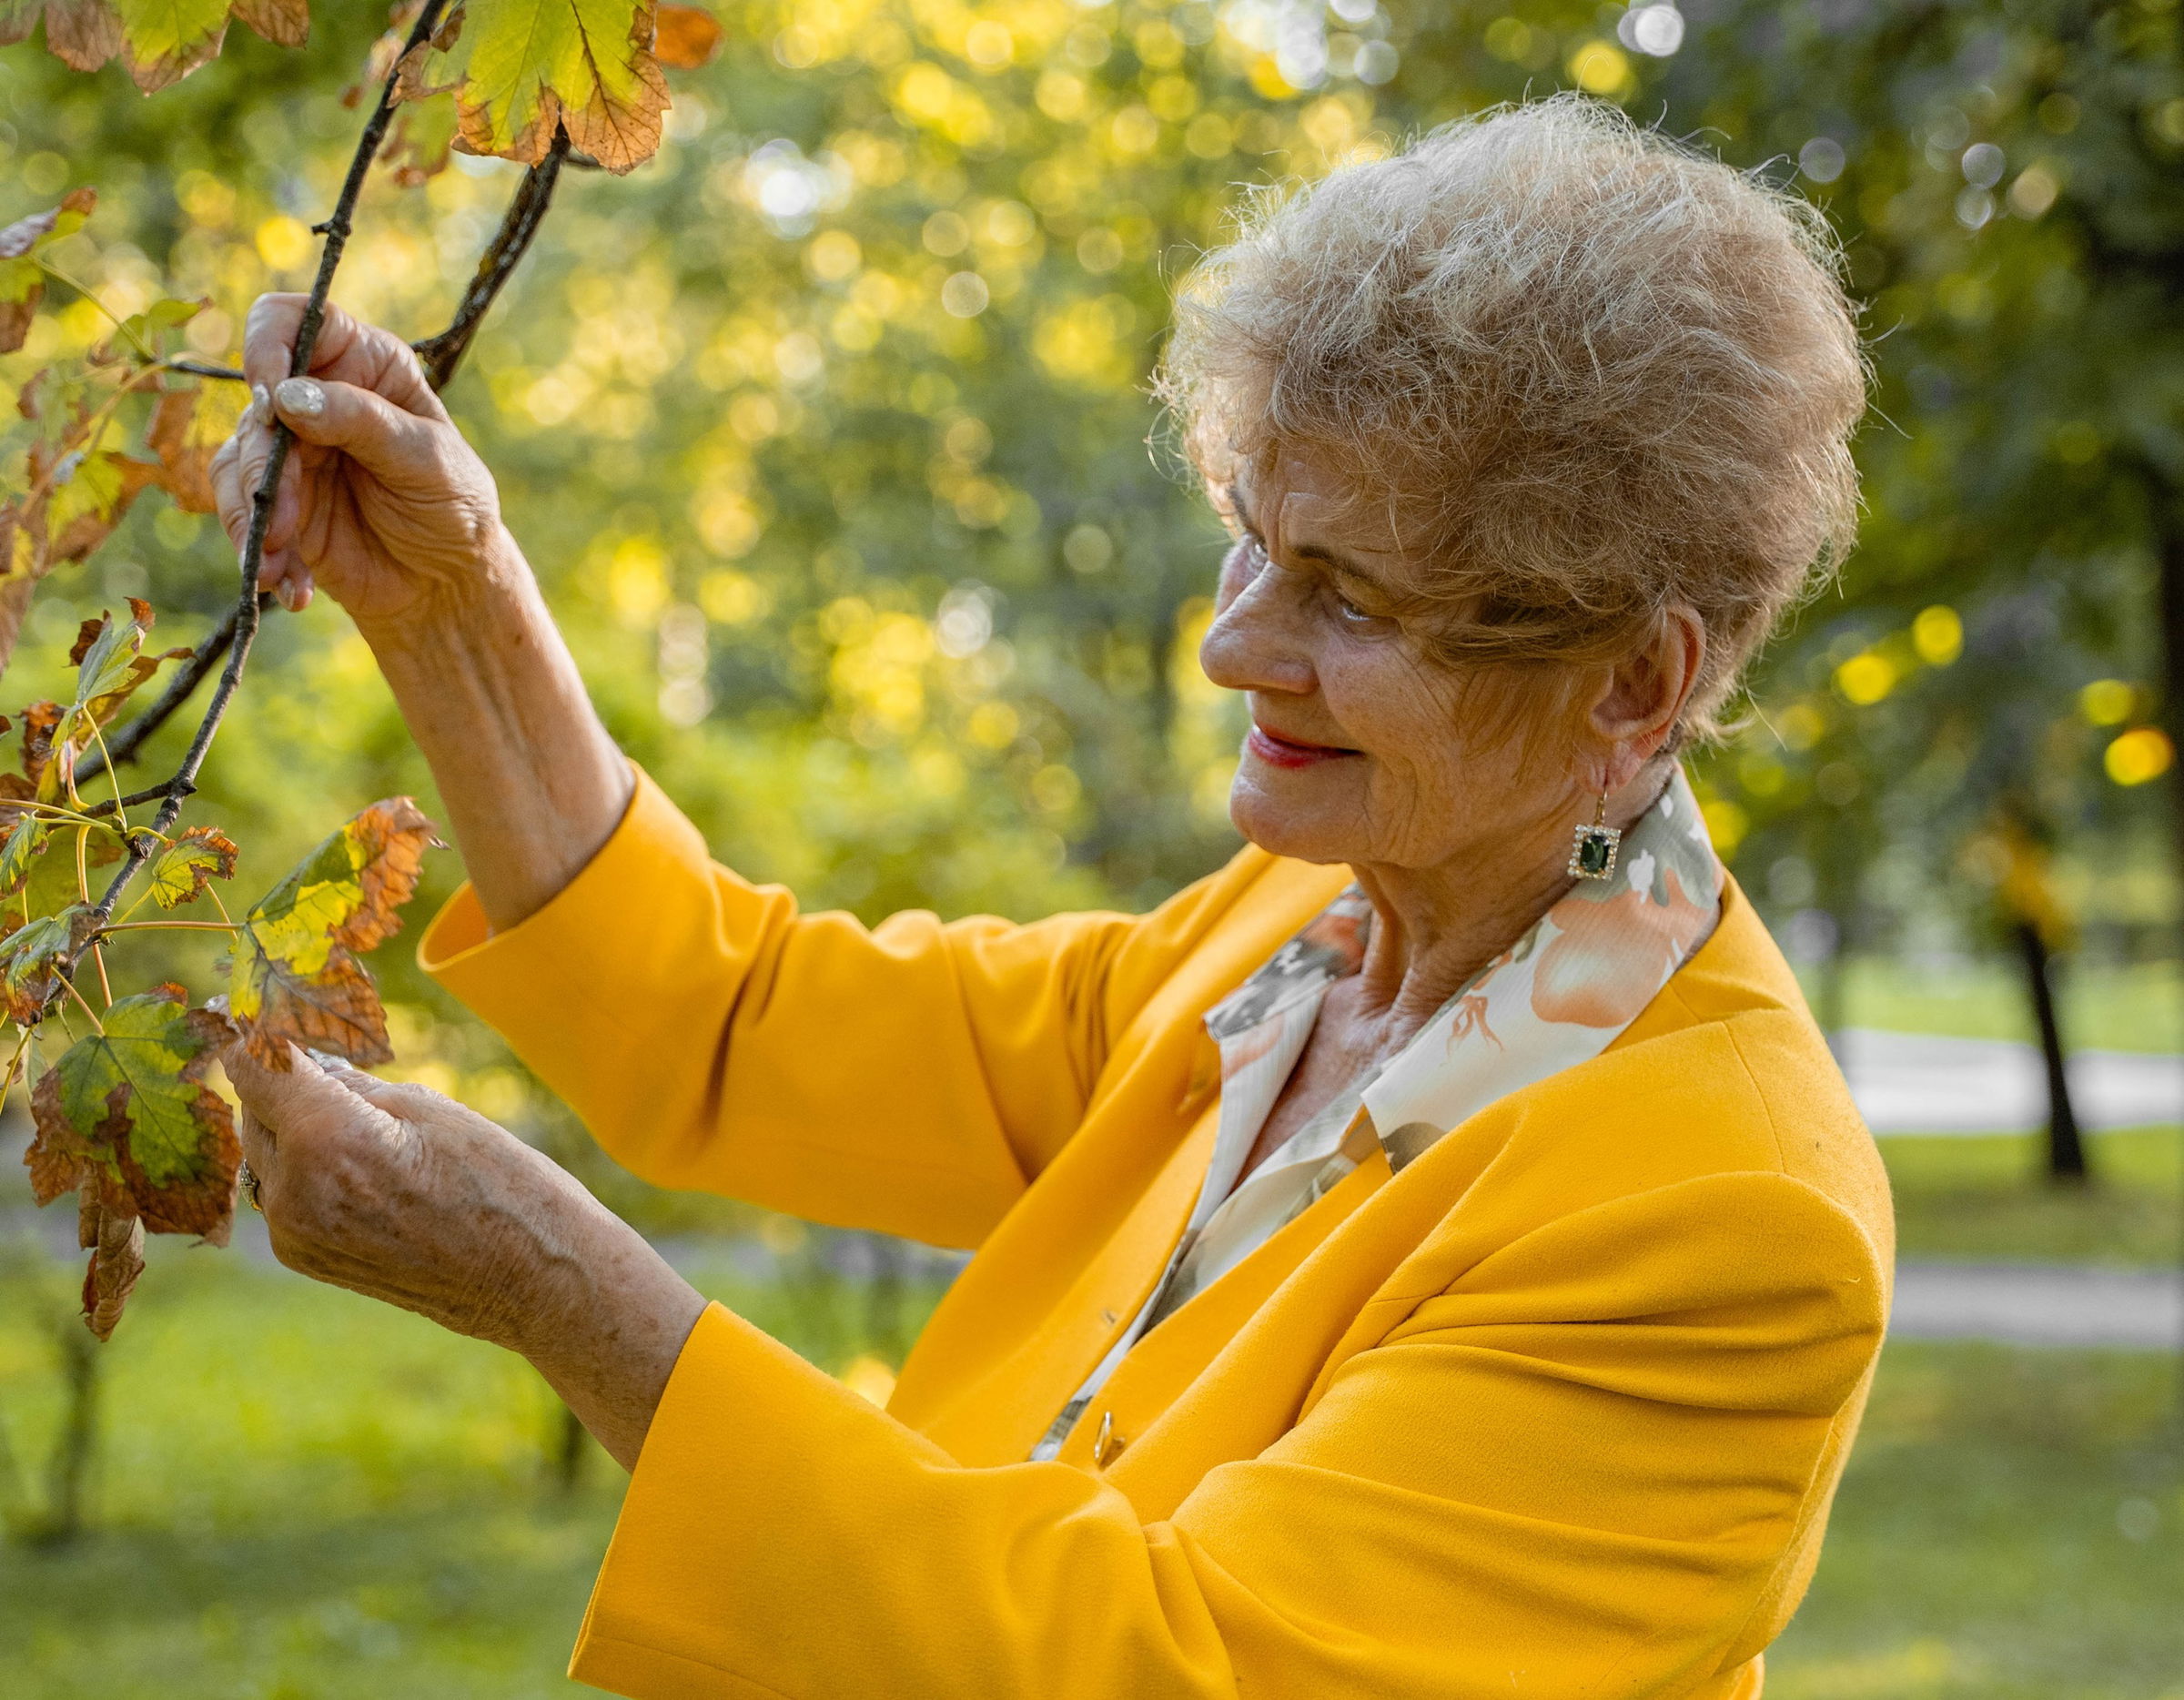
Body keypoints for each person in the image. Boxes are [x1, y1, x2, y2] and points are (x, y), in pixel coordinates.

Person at [211, 97, 1889, 1700]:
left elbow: (1173, 1670)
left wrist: (566, 1300)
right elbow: (733, 1029)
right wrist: (450, 597)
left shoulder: (1724, 1217)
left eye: (1351, 600)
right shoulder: (1286, 943)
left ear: (1630, 684)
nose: (1232, 647)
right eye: (1253, 540)